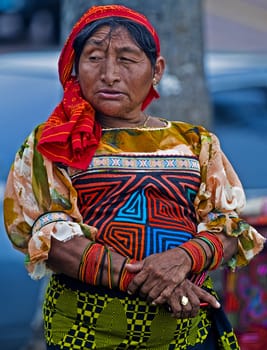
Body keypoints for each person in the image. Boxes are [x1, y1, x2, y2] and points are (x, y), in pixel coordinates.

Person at [3, 4, 266, 350]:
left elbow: (228, 227)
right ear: (74, 69)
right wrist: (155, 278)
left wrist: (182, 260)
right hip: (86, 333)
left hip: (184, 333)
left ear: (156, 70)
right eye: (94, 58)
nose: (110, 74)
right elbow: (51, 239)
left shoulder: (195, 143)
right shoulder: (53, 142)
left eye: (127, 60)